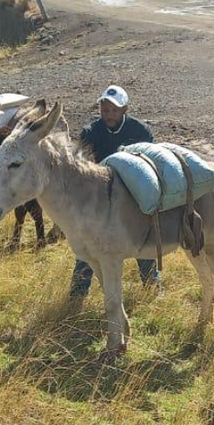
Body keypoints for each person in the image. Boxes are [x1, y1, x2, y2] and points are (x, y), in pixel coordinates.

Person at [69, 85, 159, 298]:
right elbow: (83, 168)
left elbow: (149, 167)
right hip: (98, 201)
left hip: (133, 197)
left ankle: (152, 287)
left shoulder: (141, 131)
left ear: (125, 109)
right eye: (105, 109)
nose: (109, 114)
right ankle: (77, 293)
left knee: (141, 241)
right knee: (89, 244)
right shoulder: (90, 132)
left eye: (114, 110)